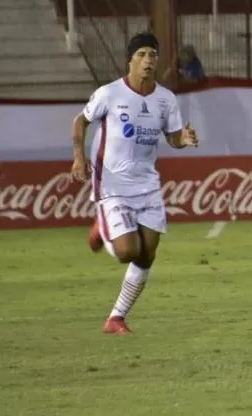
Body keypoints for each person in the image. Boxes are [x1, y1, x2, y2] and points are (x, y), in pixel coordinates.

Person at [72, 31, 199, 334]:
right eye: (141, 54)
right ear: (129, 60)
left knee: (147, 253)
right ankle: (103, 229)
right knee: (128, 251)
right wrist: (79, 156)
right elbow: (80, 121)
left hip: (147, 185)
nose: (148, 61)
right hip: (112, 186)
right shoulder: (109, 94)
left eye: (152, 55)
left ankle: (115, 318)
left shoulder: (166, 99)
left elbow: (172, 136)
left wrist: (183, 138)